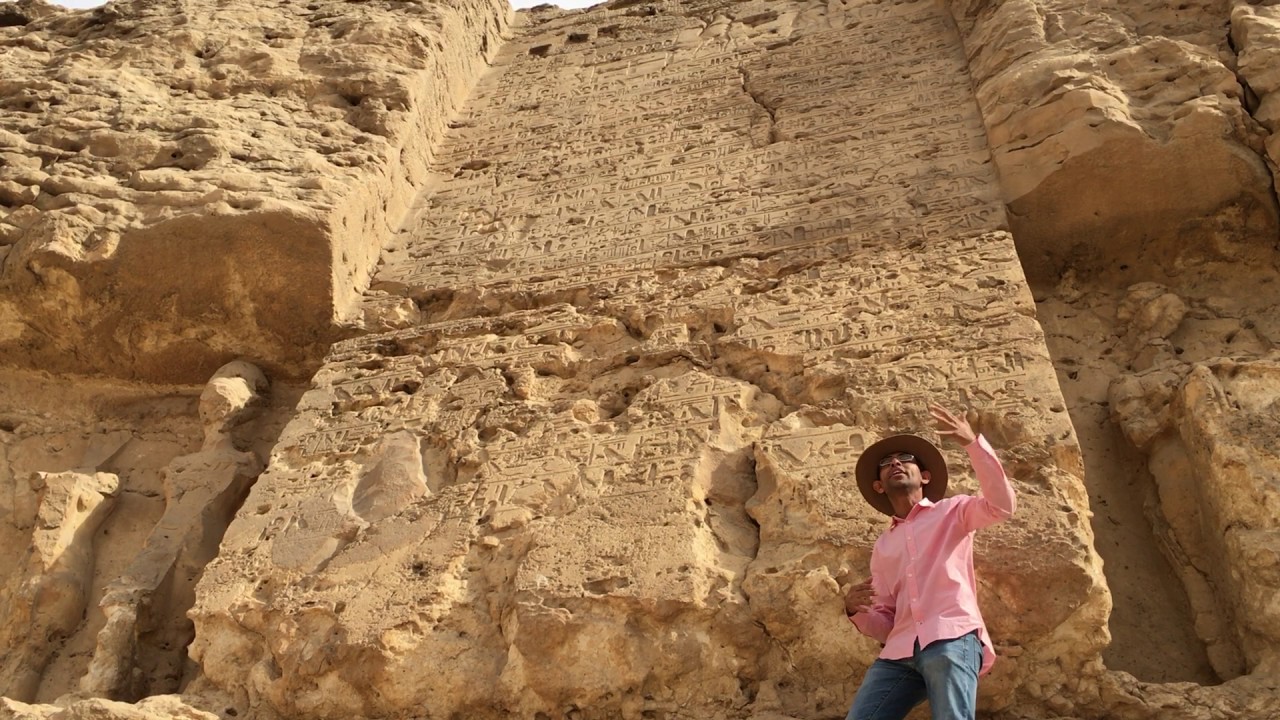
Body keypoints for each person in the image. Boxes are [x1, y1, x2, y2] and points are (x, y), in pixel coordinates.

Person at [843, 403, 1015, 720]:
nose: (896, 463)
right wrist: (856, 610)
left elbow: (1002, 506)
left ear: (924, 476)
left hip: (951, 636)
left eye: (905, 458)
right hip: (899, 652)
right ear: (879, 485)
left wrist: (972, 444)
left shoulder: (953, 511)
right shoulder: (883, 546)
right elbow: (886, 621)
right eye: (886, 463)